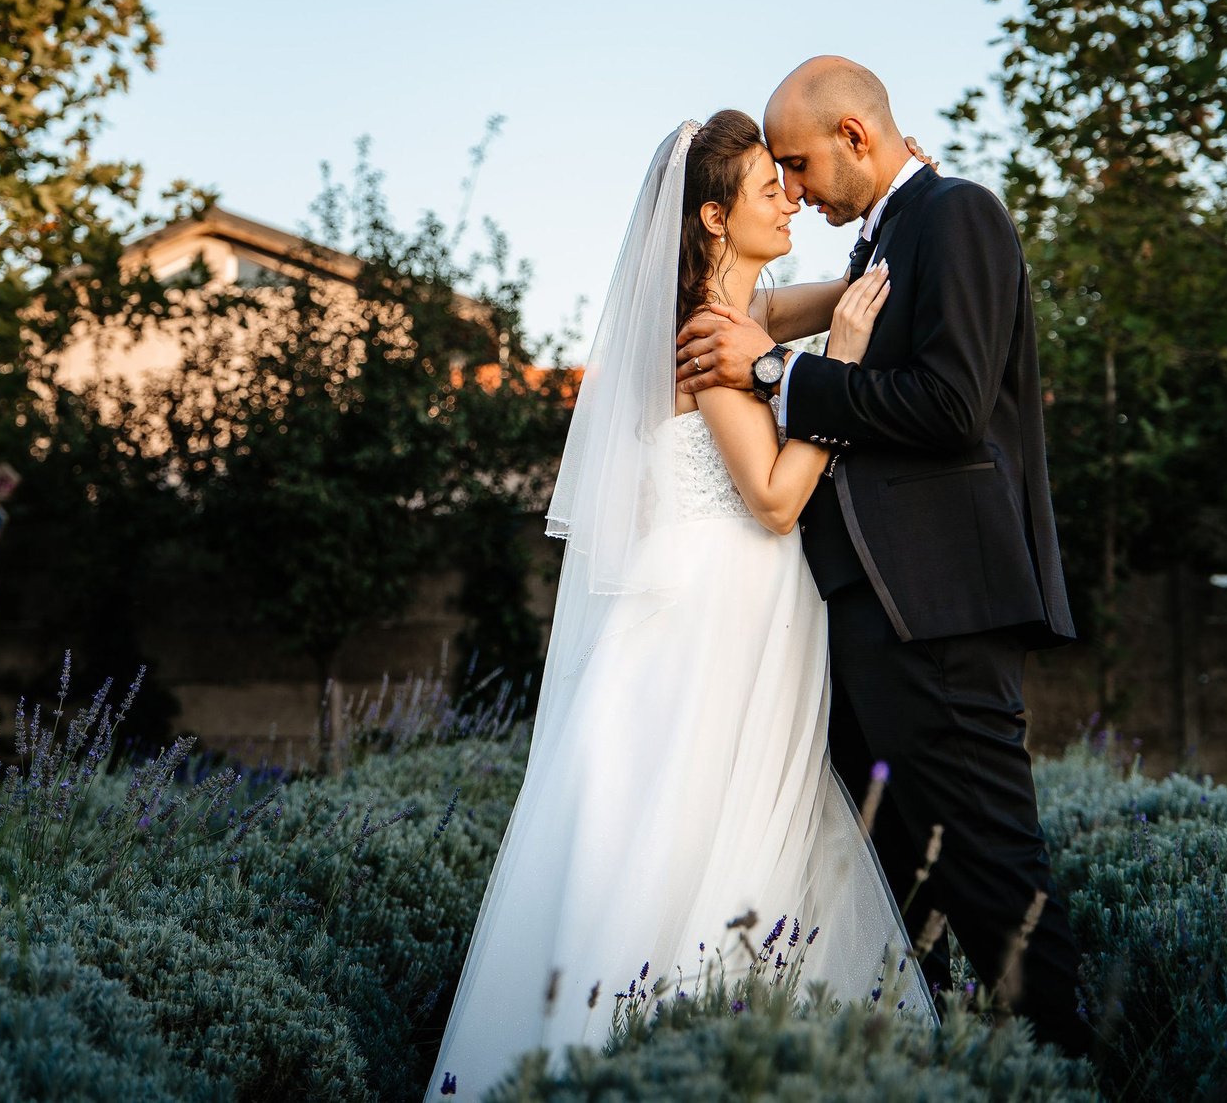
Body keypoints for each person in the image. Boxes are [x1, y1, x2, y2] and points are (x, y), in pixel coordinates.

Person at [428, 111, 925, 1099]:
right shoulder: (705, 334)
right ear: (711, 217)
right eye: (769, 187)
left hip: (739, 605)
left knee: (728, 827)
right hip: (715, 615)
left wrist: (901, 204)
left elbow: (848, 292)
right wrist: (840, 370)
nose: (790, 197)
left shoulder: (742, 310)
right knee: (694, 834)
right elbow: (776, 499)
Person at [673, 56, 1094, 1059]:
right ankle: (958, 1070)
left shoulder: (955, 213)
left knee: (994, 880)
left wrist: (775, 372)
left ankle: (1067, 1074)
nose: (793, 188)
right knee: (913, 896)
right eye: (775, 174)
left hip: (936, 610)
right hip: (869, 617)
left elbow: (951, 406)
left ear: (855, 137)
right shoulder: (886, 236)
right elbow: (777, 316)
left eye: (798, 163)